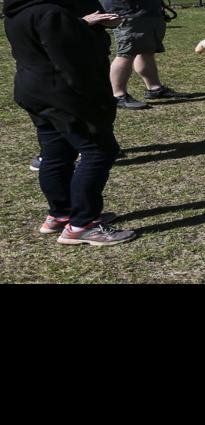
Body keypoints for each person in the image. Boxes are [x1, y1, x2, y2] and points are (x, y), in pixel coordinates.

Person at [5, 0, 136, 245]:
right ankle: (82, 224)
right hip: (62, 94)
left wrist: (81, 24)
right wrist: (97, 99)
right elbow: (72, 61)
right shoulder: (51, 12)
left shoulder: (18, 10)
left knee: (56, 152)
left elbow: (48, 40)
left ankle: (61, 213)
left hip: (34, 90)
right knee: (99, 151)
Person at [100, 0, 188, 109]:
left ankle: (155, 89)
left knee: (147, 51)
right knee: (127, 53)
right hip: (128, 12)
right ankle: (118, 95)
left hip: (147, 10)